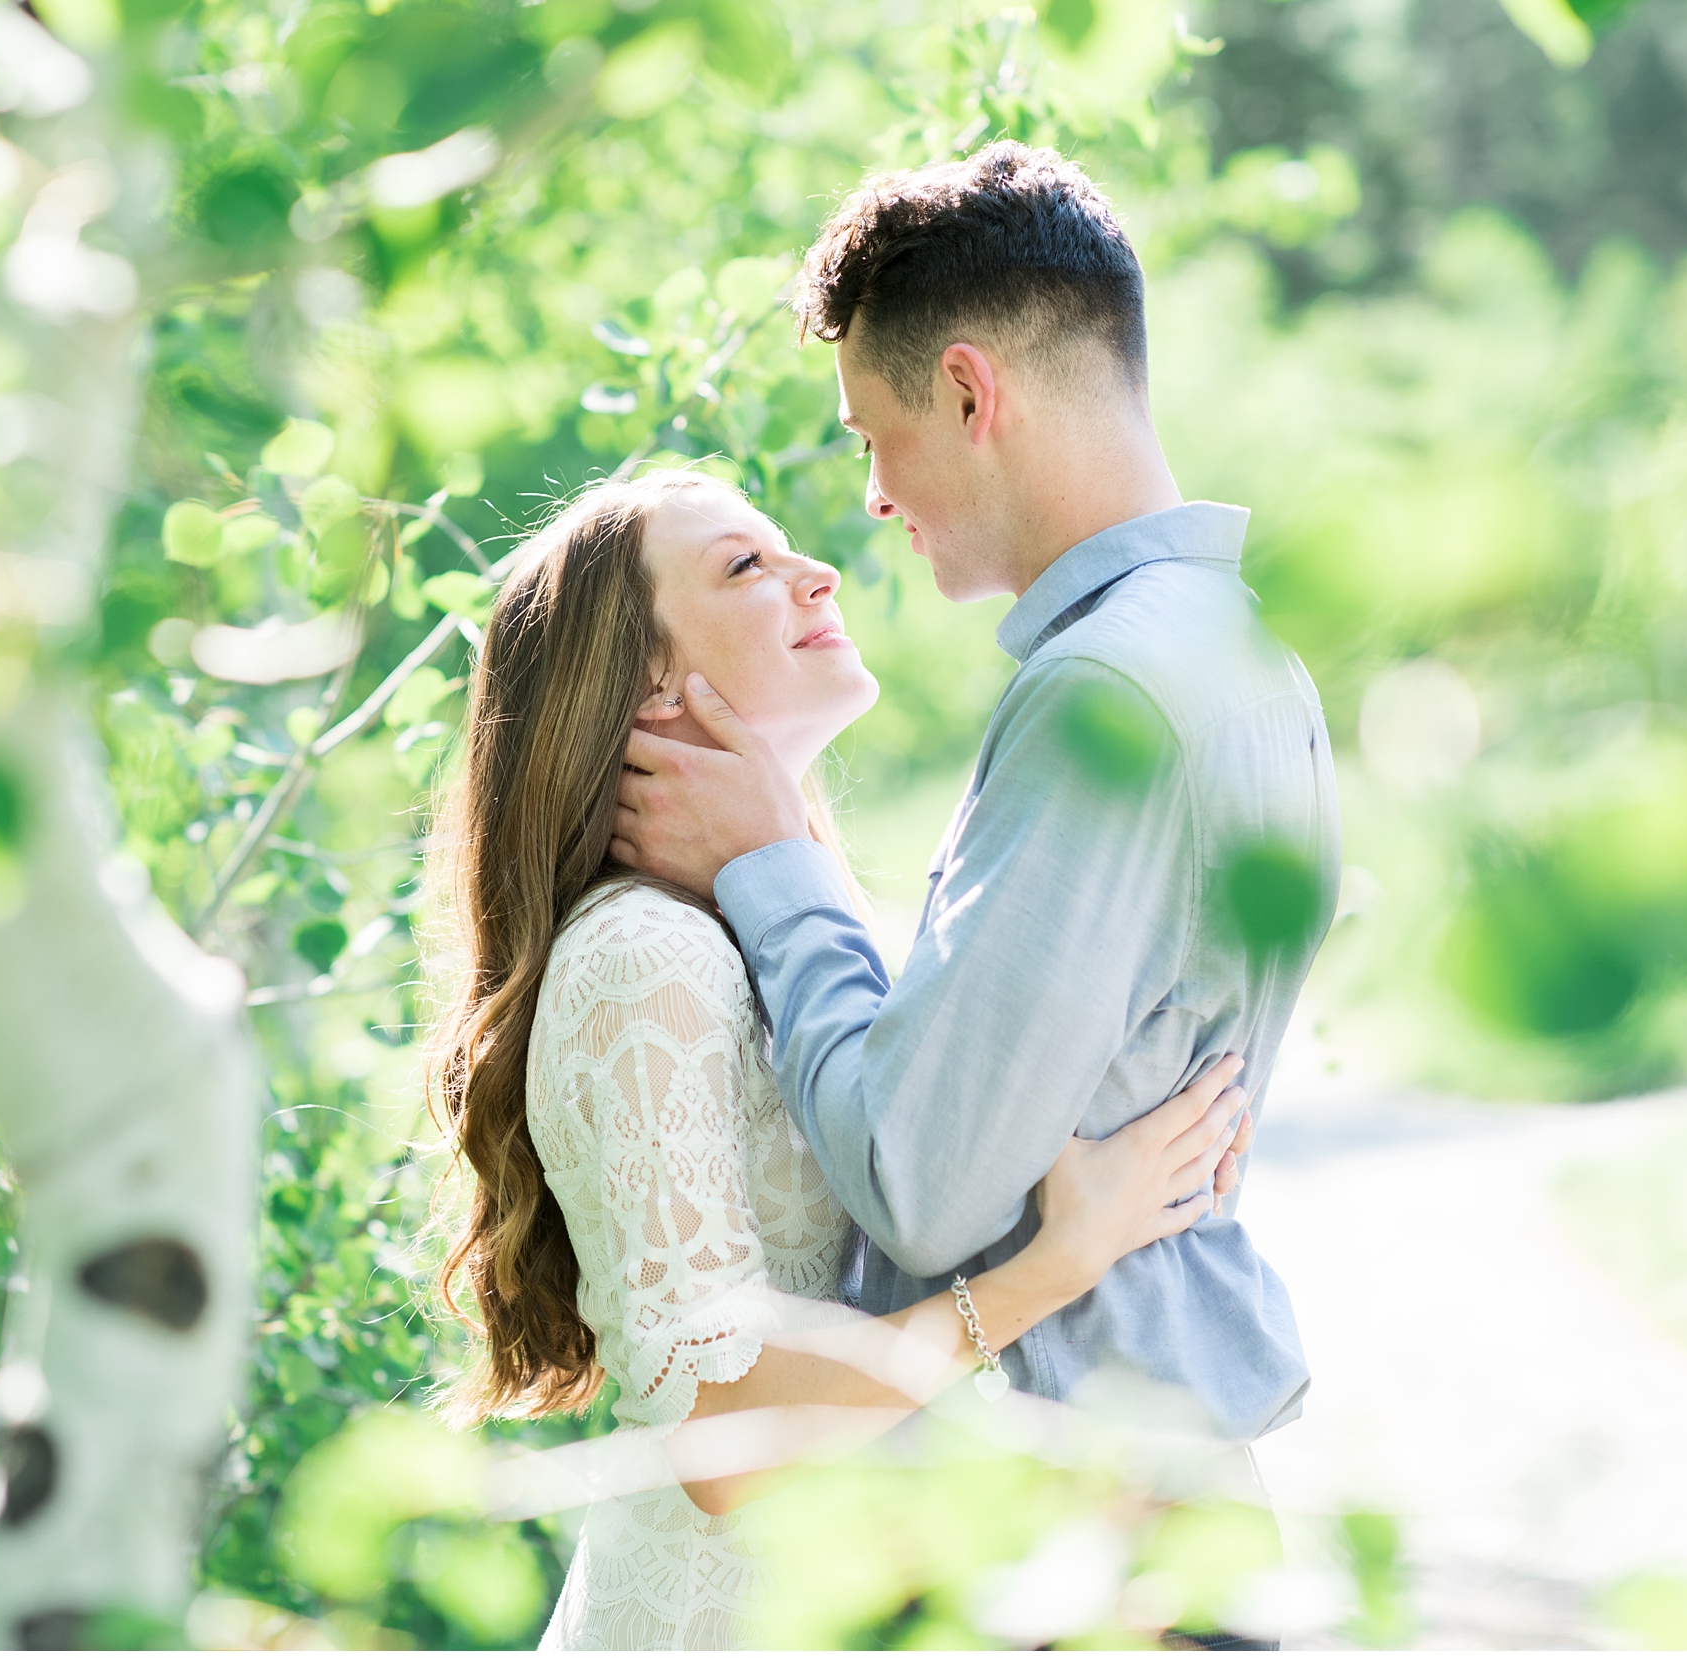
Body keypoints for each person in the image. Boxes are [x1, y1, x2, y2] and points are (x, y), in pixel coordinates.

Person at [609, 145, 1342, 1648]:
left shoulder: (1107, 690)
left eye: (874, 438)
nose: (873, 500)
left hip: (1085, 1539)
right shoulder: (1250, 659)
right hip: (1164, 1498)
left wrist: (773, 865)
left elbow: (930, 1178)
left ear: (966, 392)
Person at [425, 468, 1258, 1651]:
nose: (815, 571)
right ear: (648, 677)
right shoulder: (639, 957)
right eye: (743, 567)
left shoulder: (770, 931)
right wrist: (1057, 1261)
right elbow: (722, 1436)